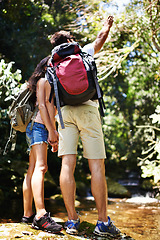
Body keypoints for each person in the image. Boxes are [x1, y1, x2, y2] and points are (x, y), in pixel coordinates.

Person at [49, 16, 121, 237]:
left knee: (67, 165)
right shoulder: (82, 52)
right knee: (96, 166)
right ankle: (102, 223)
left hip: (65, 113)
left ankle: (72, 221)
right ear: (70, 40)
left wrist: (53, 130)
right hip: (89, 110)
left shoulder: (52, 62)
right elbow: (100, 38)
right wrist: (107, 26)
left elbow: (49, 96)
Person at [21, 56, 63, 234]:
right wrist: (52, 132)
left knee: (32, 169)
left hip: (38, 126)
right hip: (38, 127)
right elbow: (46, 108)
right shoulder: (45, 81)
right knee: (41, 167)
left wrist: (52, 132)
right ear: (48, 66)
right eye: (55, 64)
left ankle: (27, 214)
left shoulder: (43, 81)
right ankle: (41, 215)